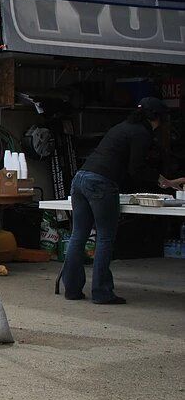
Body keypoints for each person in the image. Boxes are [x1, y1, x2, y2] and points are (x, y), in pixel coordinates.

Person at [61, 97, 172, 305]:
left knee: (78, 234)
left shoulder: (122, 127)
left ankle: (72, 289)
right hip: (102, 182)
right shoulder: (142, 134)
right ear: (157, 118)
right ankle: (102, 292)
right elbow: (135, 168)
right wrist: (160, 180)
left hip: (81, 177)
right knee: (104, 238)